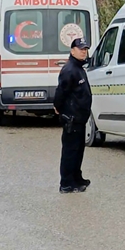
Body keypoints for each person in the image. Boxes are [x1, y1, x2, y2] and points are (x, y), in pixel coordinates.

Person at [54, 37, 93, 193]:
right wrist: (58, 107)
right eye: (80, 49)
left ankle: (77, 177)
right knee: (70, 152)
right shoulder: (69, 69)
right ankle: (66, 183)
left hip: (80, 118)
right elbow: (61, 92)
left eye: (85, 49)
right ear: (72, 50)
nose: (83, 52)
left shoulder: (78, 68)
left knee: (78, 150)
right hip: (71, 118)